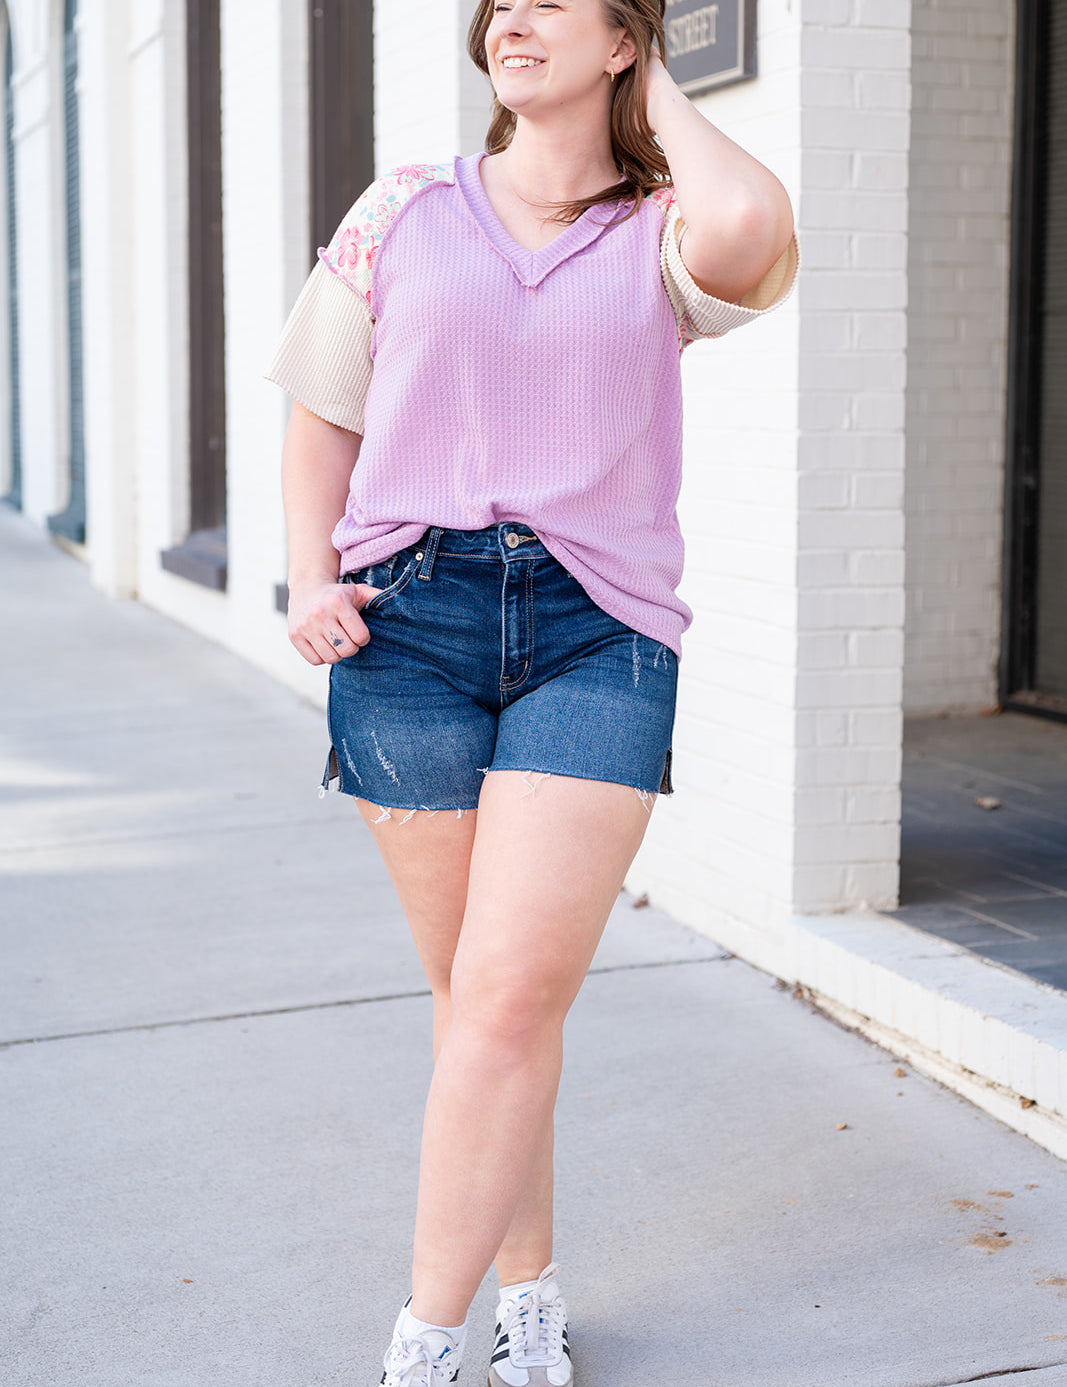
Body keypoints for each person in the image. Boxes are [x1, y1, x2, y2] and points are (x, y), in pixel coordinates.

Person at [267, 2, 796, 1383]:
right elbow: (324, 408)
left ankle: (426, 1341)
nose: (514, 20)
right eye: (501, 3)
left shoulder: (668, 232)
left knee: (504, 996)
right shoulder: (405, 208)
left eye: (557, 1)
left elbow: (755, 220)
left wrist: (660, 88)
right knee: (485, 1004)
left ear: (627, 39)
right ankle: (532, 1288)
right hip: (410, 627)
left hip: (598, 631)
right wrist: (303, 577)